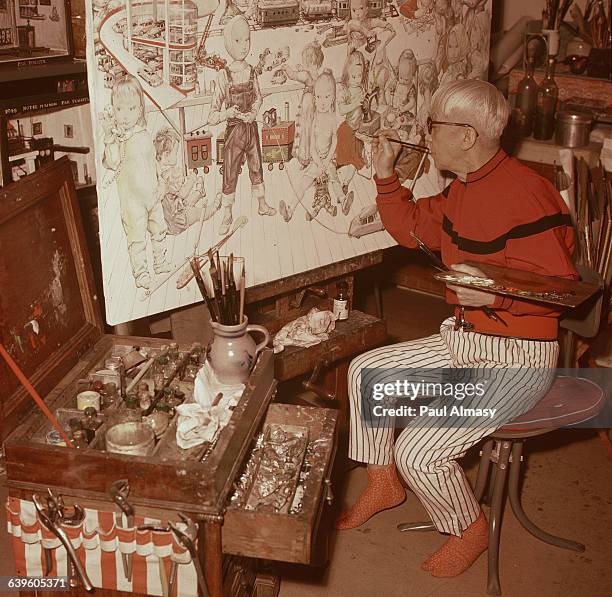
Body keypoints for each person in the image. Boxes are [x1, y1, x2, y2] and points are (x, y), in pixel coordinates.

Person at [336, 80, 577, 578]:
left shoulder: (529, 195)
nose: (425, 133)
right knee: (365, 372)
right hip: (464, 339)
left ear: (466, 137)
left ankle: (469, 527)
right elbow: (414, 227)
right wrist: (385, 178)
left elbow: (561, 290)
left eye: (433, 126)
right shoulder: (464, 187)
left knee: (419, 449)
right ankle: (383, 483)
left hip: (518, 357)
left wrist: (496, 296)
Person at [101, 75, 171, 291]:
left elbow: (153, 161)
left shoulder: (144, 134)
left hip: (152, 195)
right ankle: (141, 273)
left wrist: (161, 183)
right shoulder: (117, 139)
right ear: (113, 109)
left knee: (159, 230)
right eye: (119, 109)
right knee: (137, 238)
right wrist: (109, 136)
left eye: (130, 109)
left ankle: (160, 263)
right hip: (133, 203)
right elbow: (112, 162)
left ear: (140, 109)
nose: (124, 115)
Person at [208, 15, 275, 235]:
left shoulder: (252, 71)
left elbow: (258, 97)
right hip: (234, 131)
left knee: (257, 166)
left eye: (246, 40)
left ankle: (262, 203)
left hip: (251, 129)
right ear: (228, 43)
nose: (244, 45)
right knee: (230, 171)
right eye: (238, 41)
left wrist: (254, 112)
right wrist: (227, 113)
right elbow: (212, 115)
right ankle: (227, 213)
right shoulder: (223, 76)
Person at [279, 70, 353, 222]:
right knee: (303, 183)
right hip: (316, 161)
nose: (323, 102)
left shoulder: (333, 119)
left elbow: (334, 142)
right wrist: (319, 164)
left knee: (334, 180)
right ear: (314, 98)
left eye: (327, 97)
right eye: (319, 97)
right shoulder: (314, 119)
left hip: (328, 161)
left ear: (333, 98)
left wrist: (326, 164)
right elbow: (312, 147)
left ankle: (343, 200)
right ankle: (290, 208)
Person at [153, 127, 219, 235]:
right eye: (175, 153)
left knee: (185, 202)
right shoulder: (170, 175)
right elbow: (183, 193)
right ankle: (213, 208)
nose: (177, 156)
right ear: (166, 155)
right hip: (176, 221)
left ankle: (199, 192)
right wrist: (192, 178)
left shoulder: (156, 171)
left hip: (167, 217)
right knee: (196, 213)